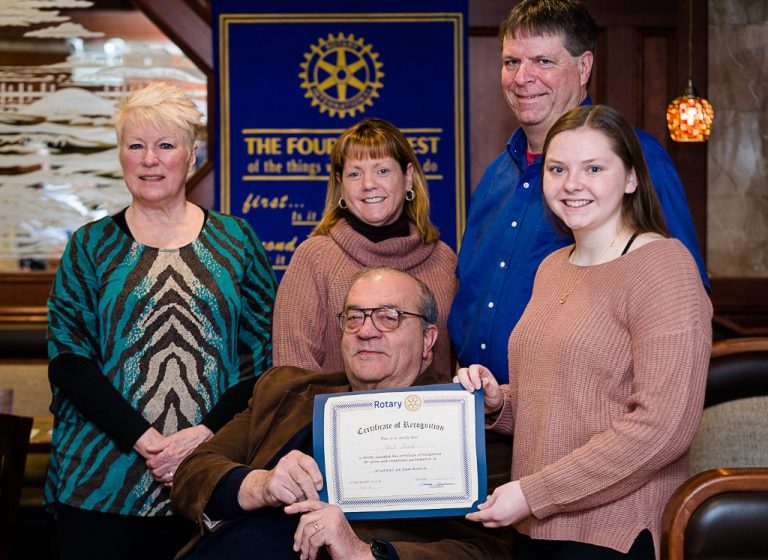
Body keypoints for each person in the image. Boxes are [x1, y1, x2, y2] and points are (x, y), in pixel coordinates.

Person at [456, 105, 712, 559]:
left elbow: (663, 427)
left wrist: (534, 493)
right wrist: (502, 402)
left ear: (631, 178)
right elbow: (565, 399)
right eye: (558, 169)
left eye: (594, 168)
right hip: (534, 525)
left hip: (611, 533)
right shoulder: (553, 267)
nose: (572, 183)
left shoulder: (664, 267)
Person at [45, 82, 277, 560]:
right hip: (99, 485)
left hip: (212, 476)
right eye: (136, 145)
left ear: (190, 157)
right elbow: (68, 361)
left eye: (165, 145)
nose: (150, 159)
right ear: (120, 156)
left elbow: (263, 358)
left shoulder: (237, 240)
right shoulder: (88, 247)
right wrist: (149, 441)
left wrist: (200, 436)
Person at [172, 267, 514, 560]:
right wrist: (262, 484)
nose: (366, 331)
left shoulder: (467, 420)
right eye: (354, 317)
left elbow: (486, 551)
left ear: (428, 339)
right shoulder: (284, 390)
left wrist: (363, 552)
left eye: (388, 317)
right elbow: (191, 474)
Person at [448, 0, 709, 382]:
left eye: (543, 61)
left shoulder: (635, 159)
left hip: (580, 417)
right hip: (482, 409)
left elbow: (684, 299)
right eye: (511, 62)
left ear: (583, 67)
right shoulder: (496, 174)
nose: (523, 78)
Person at [272, 118, 457, 376]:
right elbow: (291, 378)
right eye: (355, 173)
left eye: (382, 171)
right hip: (336, 417)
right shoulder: (313, 259)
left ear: (407, 177)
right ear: (341, 184)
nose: (368, 184)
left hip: (429, 416)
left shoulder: (444, 260)